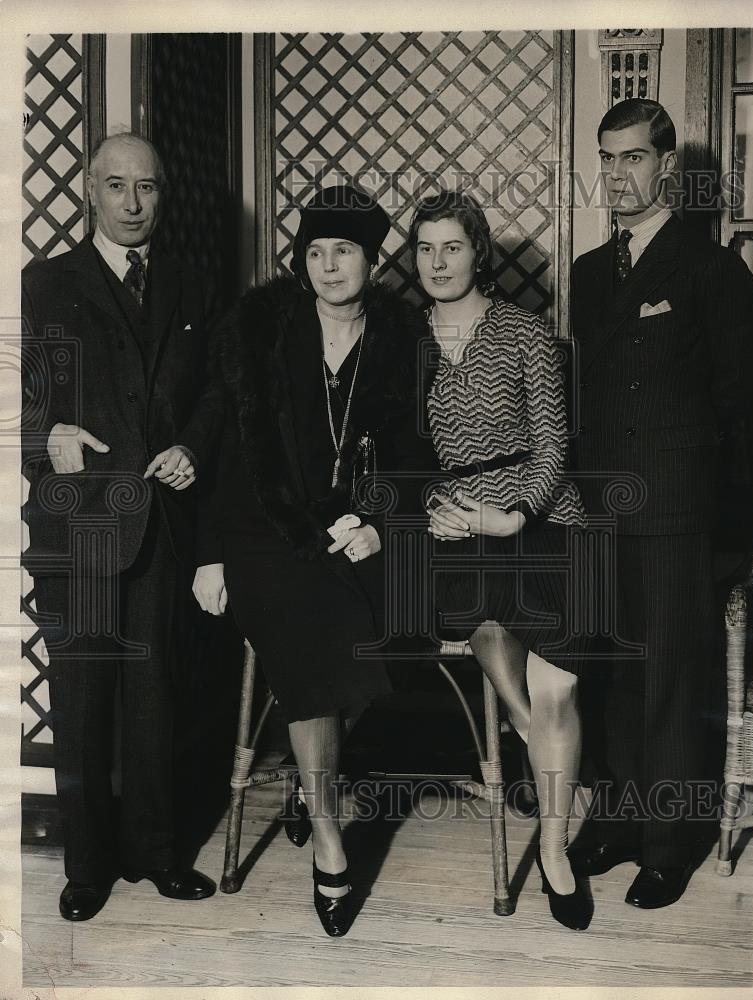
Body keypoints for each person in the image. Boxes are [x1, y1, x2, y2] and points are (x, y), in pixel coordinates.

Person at [192, 184, 436, 937]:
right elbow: (229, 448)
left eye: (345, 252)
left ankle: (309, 782)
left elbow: (416, 454)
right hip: (265, 531)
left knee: (364, 615)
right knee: (309, 618)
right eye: (316, 252)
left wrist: (380, 523)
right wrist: (210, 556)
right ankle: (329, 833)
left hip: (357, 529)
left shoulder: (403, 338)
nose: (329, 267)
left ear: (372, 260)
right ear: (301, 262)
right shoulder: (261, 329)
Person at [21, 133, 223, 920]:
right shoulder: (43, 285)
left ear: (162, 194)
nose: (133, 205)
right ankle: (86, 868)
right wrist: (47, 439)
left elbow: (213, 395)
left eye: (147, 188)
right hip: (79, 528)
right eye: (116, 187)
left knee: (154, 701)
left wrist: (191, 448)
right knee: (81, 706)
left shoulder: (191, 284)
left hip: (161, 527)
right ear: (88, 192)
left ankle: (155, 853)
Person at [569, 98, 753, 908]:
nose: (617, 176)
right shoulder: (584, 272)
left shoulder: (711, 270)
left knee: (673, 682)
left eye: (633, 159)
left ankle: (668, 843)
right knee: (608, 672)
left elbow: (742, 409)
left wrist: (735, 531)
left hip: (679, 510)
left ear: (667, 168)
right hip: (601, 509)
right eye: (606, 160)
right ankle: (613, 820)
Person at [409, 190, 592, 931]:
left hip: (541, 515)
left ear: (477, 252)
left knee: (555, 688)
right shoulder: (405, 339)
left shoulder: (523, 332)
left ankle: (553, 852)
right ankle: (531, 743)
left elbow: (553, 444)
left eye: (451, 246)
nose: (437, 262)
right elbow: (395, 450)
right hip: (455, 525)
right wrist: (433, 507)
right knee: (482, 625)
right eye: (424, 248)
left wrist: (512, 514)